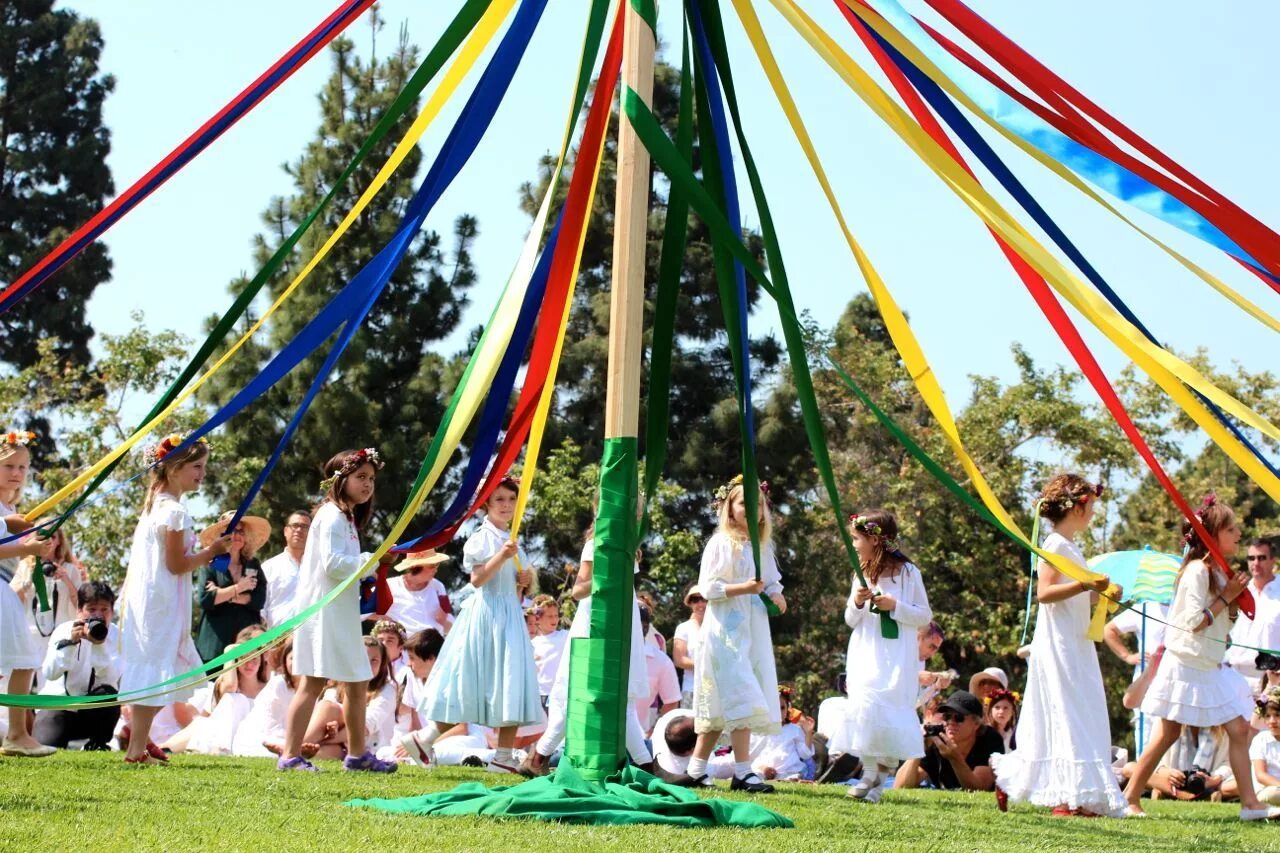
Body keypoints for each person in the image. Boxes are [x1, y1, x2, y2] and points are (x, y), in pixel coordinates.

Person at [1122, 495, 1280, 821]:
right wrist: (1226, 598)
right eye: (1231, 529)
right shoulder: (1196, 571)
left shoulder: (1220, 573)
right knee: (1167, 733)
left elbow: (1221, 623)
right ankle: (1130, 796)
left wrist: (1232, 605)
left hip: (1208, 665)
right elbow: (1193, 622)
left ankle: (1250, 805)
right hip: (1185, 664)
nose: (1239, 534)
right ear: (1212, 534)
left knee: (1237, 730)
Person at [991, 474, 1124, 817]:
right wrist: (1084, 585)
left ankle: (1076, 795)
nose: (1094, 512)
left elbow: (1079, 597)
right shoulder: (1054, 545)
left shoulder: (1070, 546)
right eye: (1092, 505)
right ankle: (1064, 797)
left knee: (1081, 711)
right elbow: (1046, 594)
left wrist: (1104, 594)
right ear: (1078, 507)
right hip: (1059, 644)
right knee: (1066, 712)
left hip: (1076, 640)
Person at [410, 477, 541, 774]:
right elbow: (478, 580)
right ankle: (427, 738)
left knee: (511, 681)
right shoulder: (483, 538)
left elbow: (521, 586)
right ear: (486, 505)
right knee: (475, 684)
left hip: (509, 613)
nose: (506, 505)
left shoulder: (512, 538)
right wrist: (502, 556)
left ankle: (503, 755)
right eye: (499, 500)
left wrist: (524, 582)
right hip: (488, 616)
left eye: (511, 499)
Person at [117, 434, 231, 765]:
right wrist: (211, 552)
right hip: (162, 601)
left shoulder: (156, 504)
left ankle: (137, 743)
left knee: (155, 669)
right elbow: (177, 564)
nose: (202, 473)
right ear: (175, 468)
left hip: (151, 597)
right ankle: (136, 744)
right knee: (158, 670)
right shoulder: (175, 512)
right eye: (196, 466)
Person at [281, 447, 396, 773]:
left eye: (371, 478)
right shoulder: (331, 516)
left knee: (358, 681)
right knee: (313, 682)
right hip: (323, 615)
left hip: (340, 613)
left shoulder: (345, 517)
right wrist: (371, 561)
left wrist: (372, 563)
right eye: (360, 477)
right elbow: (333, 565)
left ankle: (357, 755)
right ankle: (290, 756)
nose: (367, 484)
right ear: (340, 479)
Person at [517, 522, 650, 777]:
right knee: (579, 693)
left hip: (623, 619)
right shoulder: (595, 546)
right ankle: (538, 757)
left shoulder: (630, 547)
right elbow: (578, 590)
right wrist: (608, 572)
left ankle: (647, 765)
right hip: (596, 623)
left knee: (625, 695)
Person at [683, 475, 785, 794]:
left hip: (752, 629)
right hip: (724, 631)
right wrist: (744, 588)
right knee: (741, 692)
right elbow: (709, 588)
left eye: (757, 504)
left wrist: (777, 596)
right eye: (743, 503)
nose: (750, 509)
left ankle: (696, 769)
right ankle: (743, 772)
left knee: (722, 701)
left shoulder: (762, 546)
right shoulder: (720, 543)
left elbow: (771, 582)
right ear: (730, 508)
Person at [837, 509, 933, 803]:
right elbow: (851, 619)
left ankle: (877, 784)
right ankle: (869, 774)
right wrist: (857, 601)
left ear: (875, 540)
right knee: (866, 707)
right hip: (867, 650)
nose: (853, 544)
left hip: (896, 655)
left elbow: (924, 616)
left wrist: (895, 606)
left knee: (890, 710)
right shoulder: (861, 572)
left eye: (857, 538)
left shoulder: (908, 573)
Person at [0, 432, 60, 757]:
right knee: (23, 661)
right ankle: (16, 734)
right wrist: (28, 546)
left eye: (23, 467)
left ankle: (17, 733)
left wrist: (34, 547)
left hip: (4, 587)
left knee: (22, 662)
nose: (17, 473)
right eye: (9, 465)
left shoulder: (12, 509)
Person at [33, 580, 122, 750]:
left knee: (108, 695)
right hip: (57, 705)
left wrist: (98, 645)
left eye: (104, 610)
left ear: (112, 611)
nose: (98, 616)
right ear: (79, 610)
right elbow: (50, 673)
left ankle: (97, 743)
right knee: (48, 747)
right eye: (92, 609)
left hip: (92, 709)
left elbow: (111, 680)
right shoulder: (64, 630)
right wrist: (70, 645)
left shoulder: (118, 636)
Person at [163, 643, 268, 755]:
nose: (249, 665)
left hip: (254, 736)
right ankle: (163, 749)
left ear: (261, 661)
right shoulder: (226, 685)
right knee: (204, 722)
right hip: (223, 734)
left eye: (254, 660)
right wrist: (229, 651)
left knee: (203, 723)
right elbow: (230, 686)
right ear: (236, 660)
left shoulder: (268, 686)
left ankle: (165, 749)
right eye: (244, 659)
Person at [195, 511, 270, 664]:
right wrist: (240, 587)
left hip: (246, 648)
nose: (236, 534)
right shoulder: (211, 564)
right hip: (214, 648)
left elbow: (260, 600)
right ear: (222, 535)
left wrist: (223, 594)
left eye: (240, 530)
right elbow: (205, 599)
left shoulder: (253, 564)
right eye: (231, 530)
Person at [895, 690, 1004, 791]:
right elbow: (901, 786)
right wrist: (918, 748)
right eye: (947, 717)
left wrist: (954, 758)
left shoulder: (989, 738)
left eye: (959, 718)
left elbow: (979, 789)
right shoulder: (936, 739)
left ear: (976, 724)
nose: (951, 722)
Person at [1104, 597, 1169, 754]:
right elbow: (1109, 630)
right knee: (1147, 735)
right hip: (1146, 682)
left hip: (1177, 680)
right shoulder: (1144, 608)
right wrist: (1127, 656)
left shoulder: (1187, 605)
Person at [11, 524, 82, 657]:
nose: (47, 541)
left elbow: (81, 606)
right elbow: (10, 600)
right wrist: (29, 581)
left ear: (59, 541)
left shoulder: (71, 569)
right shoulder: (24, 567)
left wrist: (66, 580)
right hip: (29, 634)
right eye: (43, 536)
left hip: (61, 634)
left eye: (52, 536)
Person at [233, 637, 298, 757]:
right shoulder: (279, 683)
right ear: (285, 661)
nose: (297, 663)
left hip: (293, 736)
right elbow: (271, 725)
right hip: (264, 737)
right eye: (292, 658)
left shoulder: (313, 688)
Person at [1226, 538, 1280, 681]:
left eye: (1261, 558)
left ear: (1273, 560)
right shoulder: (1239, 591)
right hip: (1234, 676)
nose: (1256, 563)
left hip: (1270, 679)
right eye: (1251, 558)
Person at [385, 550, 453, 638]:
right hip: (404, 646)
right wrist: (386, 619)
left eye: (437, 564)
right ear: (416, 567)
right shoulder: (390, 586)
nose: (436, 569)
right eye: (432, 565)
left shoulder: (438, 586)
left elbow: (443, 619)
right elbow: (364, 610)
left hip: (434, 646)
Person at [636, 602, 681, 733]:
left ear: (646, 627)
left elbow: (672, 701)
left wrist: (654, 731)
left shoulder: (661, 661)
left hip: (639, 737)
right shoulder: (606, 653)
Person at [261, 510, 310, 628]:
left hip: (312, 638)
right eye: (295, 526)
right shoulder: (268, 567)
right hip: (278, 640)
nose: (299, 530)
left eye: (304, 527)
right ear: (285, 531)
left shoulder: (319, 567)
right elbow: (261, 610)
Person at [529, 594, 568, 710]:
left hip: (561, 695)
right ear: (537, 619)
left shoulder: (564, 636)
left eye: (556, 615)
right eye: (549, 616)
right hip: (540, 695)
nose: (554, 619)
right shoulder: (532, 644)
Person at [672, 585, 705, 709]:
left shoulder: (719, 627)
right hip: (692, 690)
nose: (700, 603)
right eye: (695, 600)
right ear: (690, 604)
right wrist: (707, 666)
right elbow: (679, 660)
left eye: (704, 599)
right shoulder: (683, 628)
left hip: (717, 691)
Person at [1252, 688, 1280, 805]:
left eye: (1277, 715)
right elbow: (1261, 775)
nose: (1272, 721)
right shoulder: (1261, 739)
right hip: (1268, 789)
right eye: (1268, 716)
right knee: (1275, 794)